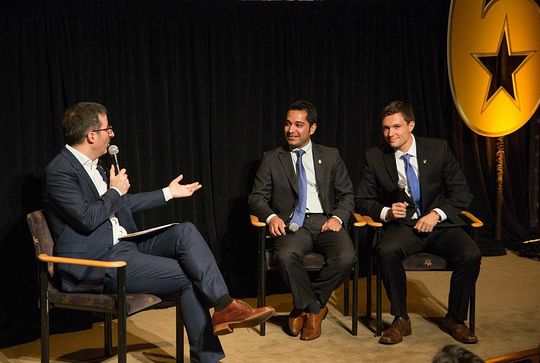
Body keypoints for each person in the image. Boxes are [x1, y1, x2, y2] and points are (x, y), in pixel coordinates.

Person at [43, 102, 275, 363]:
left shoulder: (94, 165)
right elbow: (87, 218)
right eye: (108, 128)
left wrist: (168, 193)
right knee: (187, 276)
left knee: (184, 231)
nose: (113, 134)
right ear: (92, 135)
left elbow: (121, 204)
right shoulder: (60, 171)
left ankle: (224, 306)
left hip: (124, 244)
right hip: (97, 262)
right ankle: (209, 356)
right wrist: (115, 191)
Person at [355, 100, 481, 345]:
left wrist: (436, 214)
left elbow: (462, 193)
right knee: (386, 251)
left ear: (410, 125)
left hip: (440, 226)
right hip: (403, 227)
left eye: (396, 127)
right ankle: (401, 318)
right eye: (385, 128)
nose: (390, 134)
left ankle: (454, 318)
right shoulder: (375, 156)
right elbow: (362, 199)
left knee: (471, 254)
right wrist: (387, 212)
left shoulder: (438, 149)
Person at [248, 100, 356, 341]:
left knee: (347, 257)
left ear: (312, 128)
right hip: (293, 224)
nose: (291, 130)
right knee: (286, 256)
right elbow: (256, 198)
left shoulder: (331, 155)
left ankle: (306, 305)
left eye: (298, 124)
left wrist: (338, 217)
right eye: (287, 124)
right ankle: (316, 310)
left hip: (327, 221)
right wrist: (271, 216)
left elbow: (347, 194)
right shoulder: (272, 158)